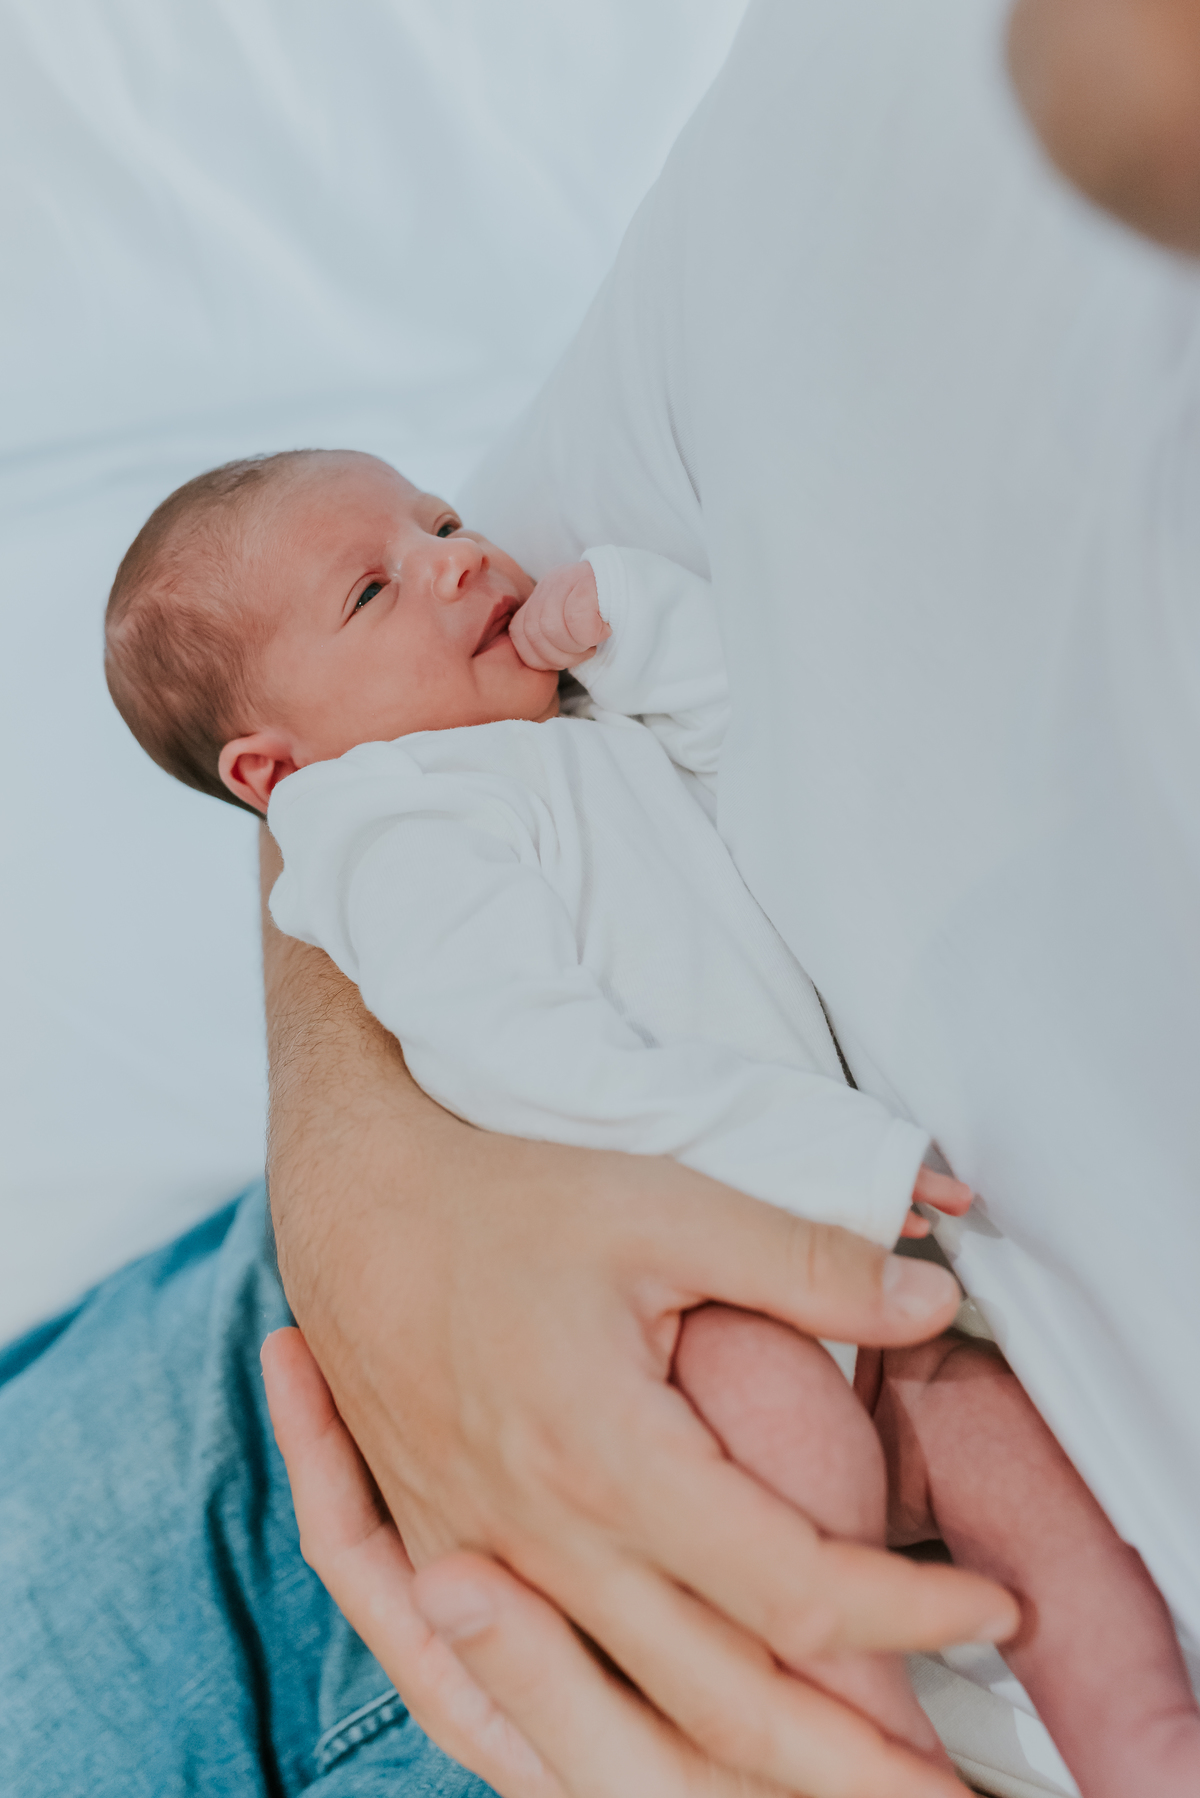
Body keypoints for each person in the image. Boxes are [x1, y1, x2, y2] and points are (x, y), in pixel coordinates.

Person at [102, 442, 1200, 1798]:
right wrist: (834, 1161)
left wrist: (643, 630)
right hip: (690, 1305)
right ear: (276, 773)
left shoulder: (562, 734)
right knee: (807, 1544)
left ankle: (1151, 1743)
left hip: (836, 1273)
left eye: (438, 520)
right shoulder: (387, 824)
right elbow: (540, 1064)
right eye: (373, 593)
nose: (454, 555)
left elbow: (775, 767)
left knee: (1045, 1516)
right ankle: (882, 1762)